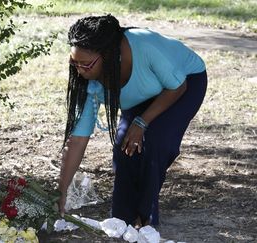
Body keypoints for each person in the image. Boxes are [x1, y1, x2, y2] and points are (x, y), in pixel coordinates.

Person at [58, 15, 207, 227]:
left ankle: (146, 219)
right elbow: (78, 140)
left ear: (108, 55)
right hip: (142, 96)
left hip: (183, 83)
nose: (80, 71)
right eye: (75, 63)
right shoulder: (88, 82)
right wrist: (61, 191)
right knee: (124, 147)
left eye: (86, 64)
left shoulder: (145, 45)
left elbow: (177, 87)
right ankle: (122, 222)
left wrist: (141, 122)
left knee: (155, 141)